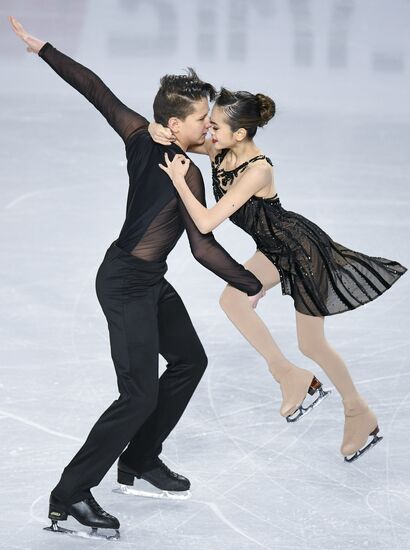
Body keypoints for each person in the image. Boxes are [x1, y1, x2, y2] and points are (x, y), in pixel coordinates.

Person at [8, 17, 268, 539]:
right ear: (175, 125)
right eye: (201, 120)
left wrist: (45, 50)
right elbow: (201, 246)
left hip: (147, 278)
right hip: (126, 281)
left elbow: (97, 91)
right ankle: (70, 494)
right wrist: (251, 283)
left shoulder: (138, 134)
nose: (208, 129)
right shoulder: (185, 171)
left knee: (190, 360)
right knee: (138, 395)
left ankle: (140, 459)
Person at [152, 87, 407, 463]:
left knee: (312, 345)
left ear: (239, 134)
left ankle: (358, 412)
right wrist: (159, 130)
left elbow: (206, 222)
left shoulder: (258, 169)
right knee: (233, 300)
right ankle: (290, 376)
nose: (208, 128)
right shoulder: (220, 150)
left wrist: (178, 182)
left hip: (300, 253)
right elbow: (187, 142)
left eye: (216, 125)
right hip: (272, 250)